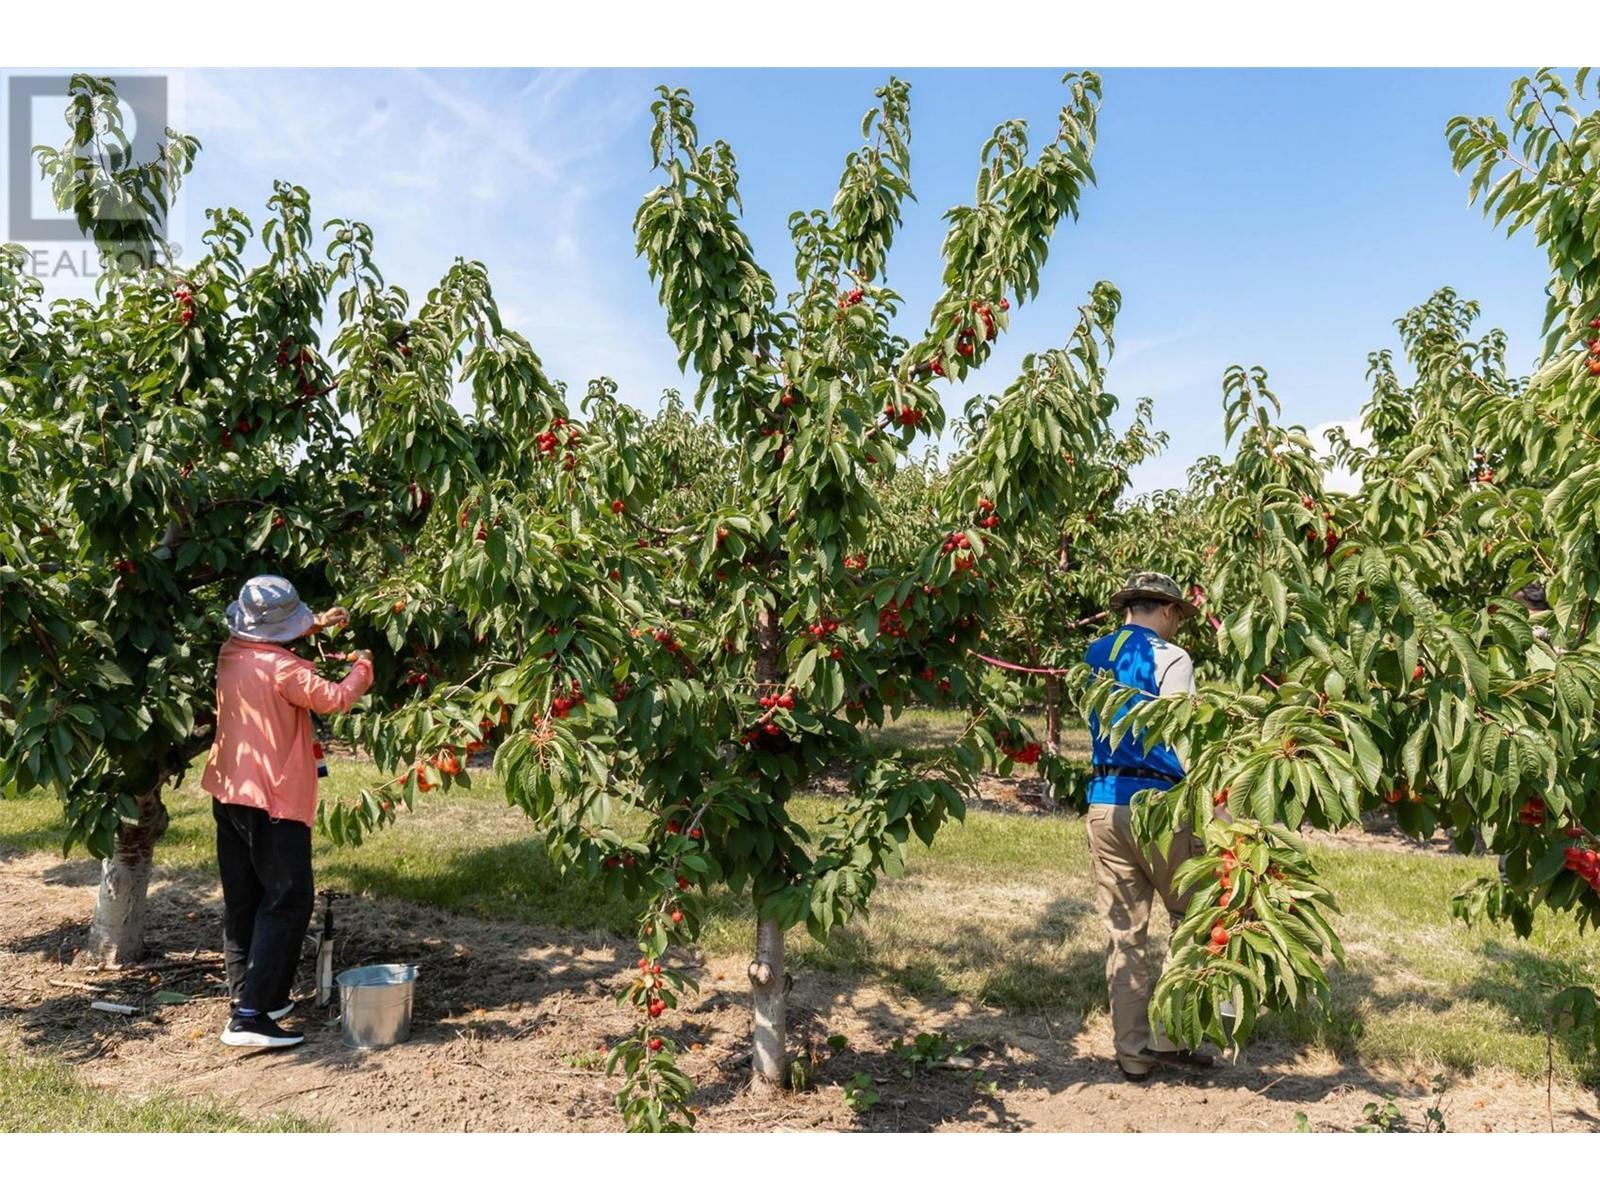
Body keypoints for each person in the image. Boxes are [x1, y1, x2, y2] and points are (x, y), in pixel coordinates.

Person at [201, 576, 373, 1049]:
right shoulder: (284, 671)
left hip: (230, 789)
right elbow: (334, 697)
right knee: (288, 899)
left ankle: (257, 998)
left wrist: (314, 625)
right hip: (274, 799)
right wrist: (362, 668)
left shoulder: (231, 652)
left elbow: (272, 648)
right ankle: (251, 1018)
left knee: (245, 900)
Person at [1082, 570, 1213, 1082]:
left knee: (1124, 934)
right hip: (1158, 806)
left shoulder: (1095, 656)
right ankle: (1174, 1039)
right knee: (1195, 917)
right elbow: (1182, 738)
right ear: (1165, 610)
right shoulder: (1172, 658)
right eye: (1178, 615)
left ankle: (1133, 1054)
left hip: (1105, 804)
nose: (1178, 626)